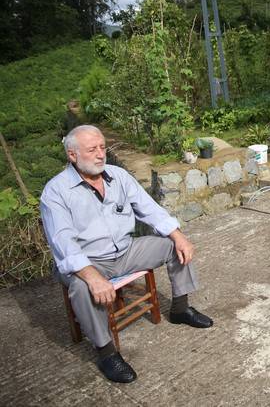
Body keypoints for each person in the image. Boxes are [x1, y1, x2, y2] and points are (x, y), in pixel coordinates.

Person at [40, 125, 213, 383]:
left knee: (173, 246)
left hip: (126, 250)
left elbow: (149, 208)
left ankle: (180, 309)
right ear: (72, 155)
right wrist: (92, 276)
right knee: (80, 286)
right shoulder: (56, 192)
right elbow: (62, 242)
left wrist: (178, 235)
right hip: (90, 261)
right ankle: (106, 352)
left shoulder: (118, 176)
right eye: (92, 150)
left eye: (102, 147)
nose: (100, 154)